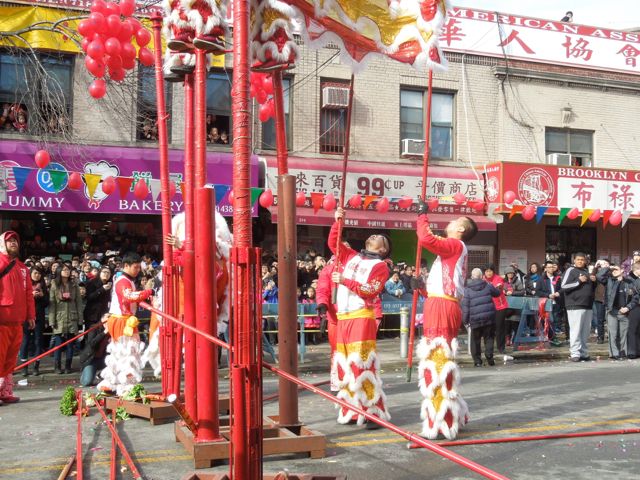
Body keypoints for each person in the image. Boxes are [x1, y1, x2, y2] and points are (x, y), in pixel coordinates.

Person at [414, 199, 477, 440]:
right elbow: (443, 283)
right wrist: (421, 288)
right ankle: (449, 414)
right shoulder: (453, 249)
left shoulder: (455, 244)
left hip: (442, 306)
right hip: (438, 302)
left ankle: (442, 419)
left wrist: (422, 216)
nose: (449, 223)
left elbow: (426, 239)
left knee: (438, 360)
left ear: (460, 229)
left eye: (454, 221)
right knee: (436, 357)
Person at [330, 207, 391, 428]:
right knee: (345, 365)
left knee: (363, 365)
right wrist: (338, 221)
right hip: (344, 318)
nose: (373, 235)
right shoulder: (351, 256)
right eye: (372, 234)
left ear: (383, 249)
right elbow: (333, 243)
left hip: (361, 318)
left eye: (379, 237)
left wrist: (345, 281)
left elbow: (369, 290)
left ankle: (373, 411)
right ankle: (352, 410)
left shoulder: (381, 266)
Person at [97, 252, 153, 396]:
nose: (138, 270)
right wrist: (149, 291)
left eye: (139, 267)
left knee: (118, 352)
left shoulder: (124, 279)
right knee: (128, 353)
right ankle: (127, 386)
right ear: (126, 266)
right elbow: (129, 296)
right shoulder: (123, 280)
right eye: (135, 267)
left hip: (122, 319)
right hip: (122, 320)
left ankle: (110, 383)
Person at [0, 231, 35, 404]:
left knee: (10, 358)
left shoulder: (23, 268)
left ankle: (5, 391)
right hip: (2, 320)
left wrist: (31, 315)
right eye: (9, 241)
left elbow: (29, 293)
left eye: (15, 240)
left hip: (17, 321)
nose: (13, 243)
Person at [49, 264, 83, 374]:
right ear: (59, 271)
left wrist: (80, 320)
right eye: (64, 270)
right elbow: (52, 303)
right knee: (58, 344)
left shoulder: (74, 284)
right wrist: (51, 320)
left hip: (72, 316)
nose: (67, 271)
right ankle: (57, 366)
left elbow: (78, 302)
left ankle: (68, 365)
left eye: (68, 270)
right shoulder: (54, 284)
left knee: (70, 344)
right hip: (59, 317)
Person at [462, 268, 500, 367]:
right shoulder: (487, 286)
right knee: (489, 338)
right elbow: (497, 293)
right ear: (481, 276)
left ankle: (478, 361)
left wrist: (465, 320)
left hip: (475, 319)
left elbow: (465, 307)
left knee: (475, 340)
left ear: (472, 277)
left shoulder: (467, 290)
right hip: (489, 317)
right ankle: (489, 356)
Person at [561, 252, 595, 362]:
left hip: (588, 304)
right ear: (574, 260)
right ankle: (575, 353)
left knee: (585, 331)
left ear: (585, 261)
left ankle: (584, 353)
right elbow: (564, 286)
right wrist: (578, 281)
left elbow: (590, 288)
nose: (580, 261)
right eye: (578, 259)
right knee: (576, 330)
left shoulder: (586, 271)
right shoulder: (570, 270)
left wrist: (593, 281)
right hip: (575, 305)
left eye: (582, 259)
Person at [597, 264, 635, 360]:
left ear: (622, 270)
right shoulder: (609, 280)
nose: (614, 271)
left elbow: (635, 296)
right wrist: (608, 268)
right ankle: (614, 353)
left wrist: (628, 307)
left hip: (624, 311)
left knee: (623, 333)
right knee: (612, 333)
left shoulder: (629, 281)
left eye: (616, 269)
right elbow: (599, 276)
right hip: (612, 311)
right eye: (612, 270)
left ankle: (622, 352)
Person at [18, 268, 49, 376]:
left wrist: (42, 296)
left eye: (39, 273)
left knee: (38, 341)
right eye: (35, 273)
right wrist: (31, 295)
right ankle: (24, 366)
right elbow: (19, 299)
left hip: (39, 317)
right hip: (26, 317)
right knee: (25, 341)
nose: (37, 275)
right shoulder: (24, 285)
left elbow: (47, 303)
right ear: (30, 274)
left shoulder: (43, 287)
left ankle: (36, 366)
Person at [483, 264, 509, 353]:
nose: (488, 273)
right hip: (488, 307)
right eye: (486, 271)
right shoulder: (483, 280)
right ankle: (489, 348)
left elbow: (499, 287)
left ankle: (501, 348)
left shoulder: (498, 278)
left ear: (493, 271)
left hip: (500, 307)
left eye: (490, 271)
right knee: (489, 328)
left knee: (499, 327)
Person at [79, 316, 110, 387]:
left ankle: (100, 374)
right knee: (86, 382)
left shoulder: (113, 331)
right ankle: (86, 373)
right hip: (91, 359)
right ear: (102, 320)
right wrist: (104, 333)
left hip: (104, 359)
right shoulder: (94, 328)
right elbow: (91, 344)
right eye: (106, 320)